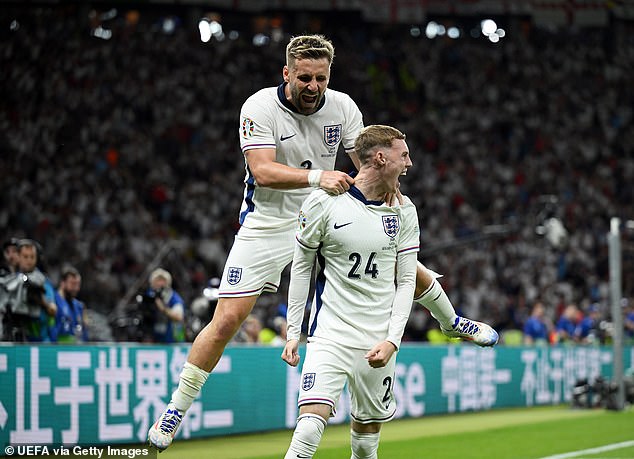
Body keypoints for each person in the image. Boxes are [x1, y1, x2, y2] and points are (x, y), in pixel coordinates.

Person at [148, 34, 497, 451]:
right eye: (305, 78)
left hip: (326, 214)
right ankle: (176, 409)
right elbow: (261, 171)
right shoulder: (258, 107)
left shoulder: (343, 106)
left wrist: (390, 196)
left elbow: (367, 161)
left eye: (321, 78)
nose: (313, 87)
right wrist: (317, 177)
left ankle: (452, 320)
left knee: (404, 265)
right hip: (268, 222)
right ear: (287, 73)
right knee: (225, 321)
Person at [281, 124, 419, 459]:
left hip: (378, 340)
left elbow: (406, 282)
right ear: (381, 158)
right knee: (309, 428)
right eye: (404, 155)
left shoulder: (404, 211)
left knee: (365, 443)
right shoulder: (324, 202)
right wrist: (293, 331)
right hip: (331, 334)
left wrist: (392, 340)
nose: (409, 163)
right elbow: (302, 267)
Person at [145, 268, 185, 343]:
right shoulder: (149, 295)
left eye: (162, 280)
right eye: (157, 280)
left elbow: (179, 317)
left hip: (171, 339)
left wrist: (164, 309)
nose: (160, 284)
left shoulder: (173, 297)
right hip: (153, 338)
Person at [54, 266, 88, 343]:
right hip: (57, 349)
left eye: (78, 284)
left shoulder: (79, 306)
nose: (76, 288)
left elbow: (83, 333)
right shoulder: (53, 302)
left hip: (75, 349)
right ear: (63, 283)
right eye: (73, 284)